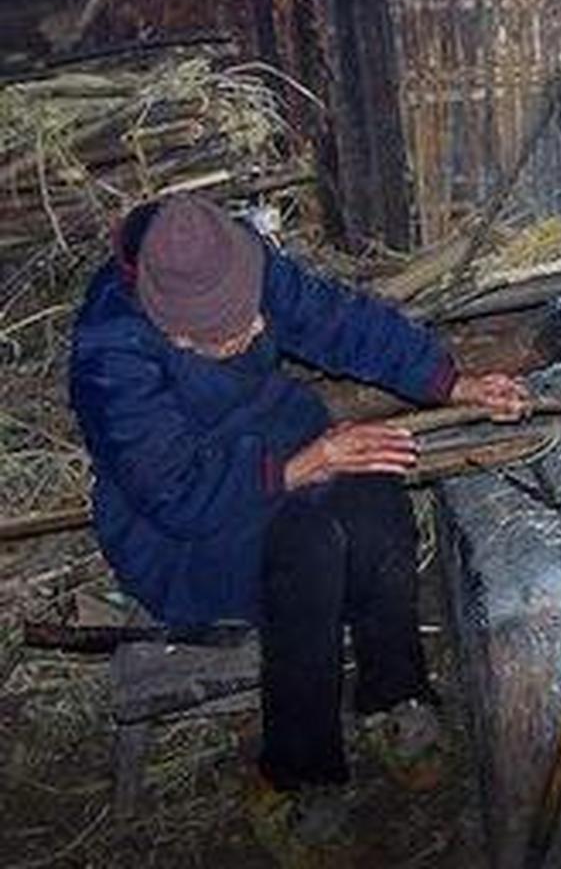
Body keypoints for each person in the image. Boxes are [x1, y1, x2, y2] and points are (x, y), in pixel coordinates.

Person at [69, 194, 529, 854]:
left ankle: (393, 695)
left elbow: (335, 320)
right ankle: (294, 772)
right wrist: (296, 467)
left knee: (374, 494)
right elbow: (172, 491)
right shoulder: (111, 347)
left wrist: (448, 380)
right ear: (173, 333)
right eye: (231, 338)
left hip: (274, 442)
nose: (259, 333)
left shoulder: (238, 258)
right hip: (183, 525)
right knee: (308, 549)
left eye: (255, 319)